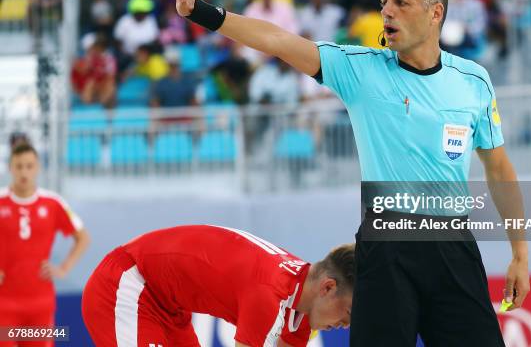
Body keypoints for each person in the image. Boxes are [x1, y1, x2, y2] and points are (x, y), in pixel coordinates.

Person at [167, 0, 529, 346]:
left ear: (435, 13)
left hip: (453, 243)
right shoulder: (360, 69)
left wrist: (520, 254)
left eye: (400, 2)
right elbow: (278, 41)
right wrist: (199, 11)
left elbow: (499, 170)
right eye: (384, 2)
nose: (386, 11)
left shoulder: (473, 80)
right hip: (387, 244)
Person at [82, 225, 354, 347]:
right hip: (126, 283)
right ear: (328, 288)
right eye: (349, 313)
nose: (346, 324)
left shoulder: (302, 303)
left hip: (167, 305)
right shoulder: (271, 294)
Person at [0, 143, 90, 347]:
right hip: (3, 304)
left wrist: (64, 268)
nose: (24, 172)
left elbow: (83, 238)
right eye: (19, 166)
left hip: (39, 303)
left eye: (29, 166)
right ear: (10, 168)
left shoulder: (52, 203)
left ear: (38, 167)